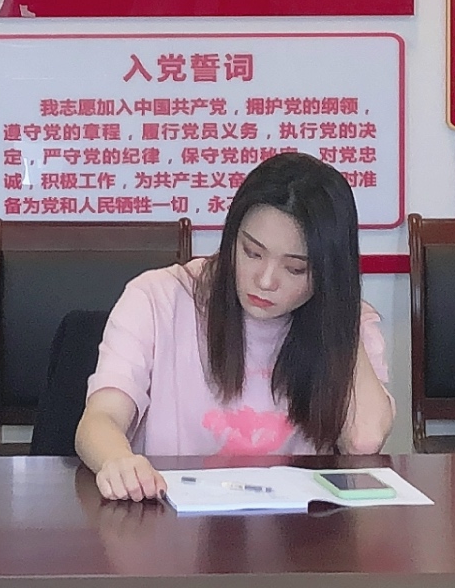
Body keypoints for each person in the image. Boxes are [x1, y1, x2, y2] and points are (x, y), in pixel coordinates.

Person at [77, 151, 391, 500]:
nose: (266, 280)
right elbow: (101, 418)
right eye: (252, 252)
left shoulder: (349, 324)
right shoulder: (157, 299)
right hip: (168, 517)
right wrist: (119, 462)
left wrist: (339, 311)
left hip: (297, 527)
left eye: (295, 268)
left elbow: (364, 441)